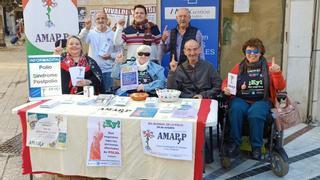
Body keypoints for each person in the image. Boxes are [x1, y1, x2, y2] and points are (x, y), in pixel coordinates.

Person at [221, 38, 286, 160]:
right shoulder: (239, 67)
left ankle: (256, 147)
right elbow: (226, 82)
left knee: (255, 112)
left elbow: (280, 87)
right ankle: (234, 143)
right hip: (242, 99)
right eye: (248, 51)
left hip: (262, 100)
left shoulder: (269, 67)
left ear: (261, 52)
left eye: (255, 51)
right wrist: (226, 88)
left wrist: (277, 73)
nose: (251, 54)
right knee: (235, 109)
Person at [79, 11, 118, 92]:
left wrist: (110, 56)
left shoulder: (113, 34)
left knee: (108, 95)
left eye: (103, 18)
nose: (101, 20)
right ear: (95, 21)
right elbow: (80, 39)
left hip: (108, 71)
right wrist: (86, 28)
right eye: (98, 19)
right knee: (94, 96)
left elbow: (119, 53)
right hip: (93, 71)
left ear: (107, 20)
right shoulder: (90, 33)